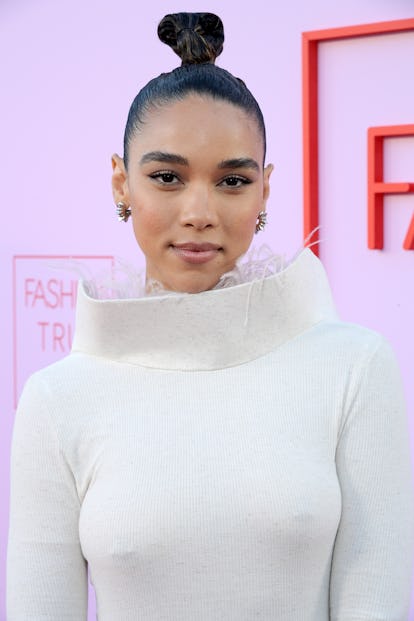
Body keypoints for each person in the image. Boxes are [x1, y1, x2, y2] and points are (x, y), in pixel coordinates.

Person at [7, 11, 414, 621]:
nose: (199, 212)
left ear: (265, 192)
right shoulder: (57, 399)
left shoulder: (353, 368)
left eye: (232, 181)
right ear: (121, 184)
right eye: (167, 177)